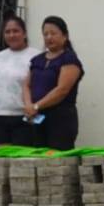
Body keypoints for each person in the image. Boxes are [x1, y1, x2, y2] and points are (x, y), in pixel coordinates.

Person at [23, 15, 84, 150]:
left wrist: (37, 106)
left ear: (65, 36)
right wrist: (28, 105)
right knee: (37, 156)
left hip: (60, 119)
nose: (49, 37)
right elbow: (26, 85)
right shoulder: (37, 60)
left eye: (53, 33)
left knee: (57, 158)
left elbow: (62, 90)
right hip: (36, 117)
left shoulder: (69, 59)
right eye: (45, 34)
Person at [0, 14, 41, 146]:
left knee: (21, 158)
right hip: (0, 118)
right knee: (2, 158)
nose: (11, 35)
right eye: (7, 32)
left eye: (16, 31)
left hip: (26, 118)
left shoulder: (36, 56)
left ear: (24, 33)